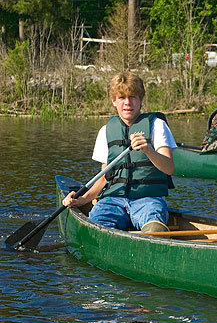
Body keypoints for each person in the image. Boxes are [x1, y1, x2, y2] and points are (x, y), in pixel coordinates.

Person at [62, 72, 177, 233]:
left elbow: (169, 168)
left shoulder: (157, 125)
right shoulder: (106, 131)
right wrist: (82, 200)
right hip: (113, 200)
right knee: (96, 225)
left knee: (154, 227)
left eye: (133, 97)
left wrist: (148, 150)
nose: (127, 103)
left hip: (147, 200)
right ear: (114, 101)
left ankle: (153, 242)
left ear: (141, 100)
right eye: (122, 97)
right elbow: (104, 177)